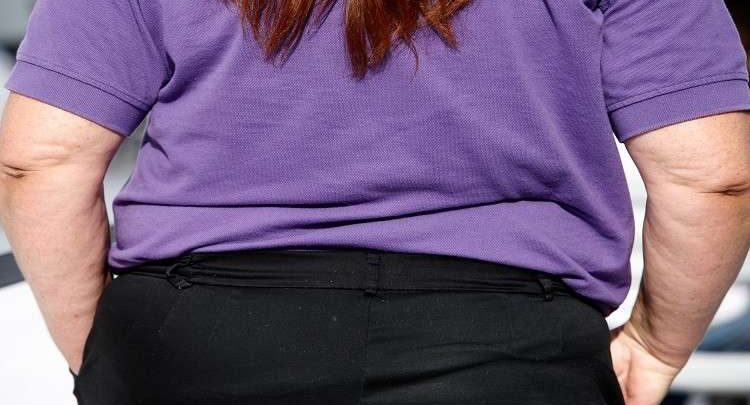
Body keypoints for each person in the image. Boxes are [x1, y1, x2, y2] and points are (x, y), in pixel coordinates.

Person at [0, 0, 748, 404]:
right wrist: (656, 346)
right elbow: (713, 177)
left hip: (190, 339)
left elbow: (39, 159)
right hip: (507, 348)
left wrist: (100, 348)